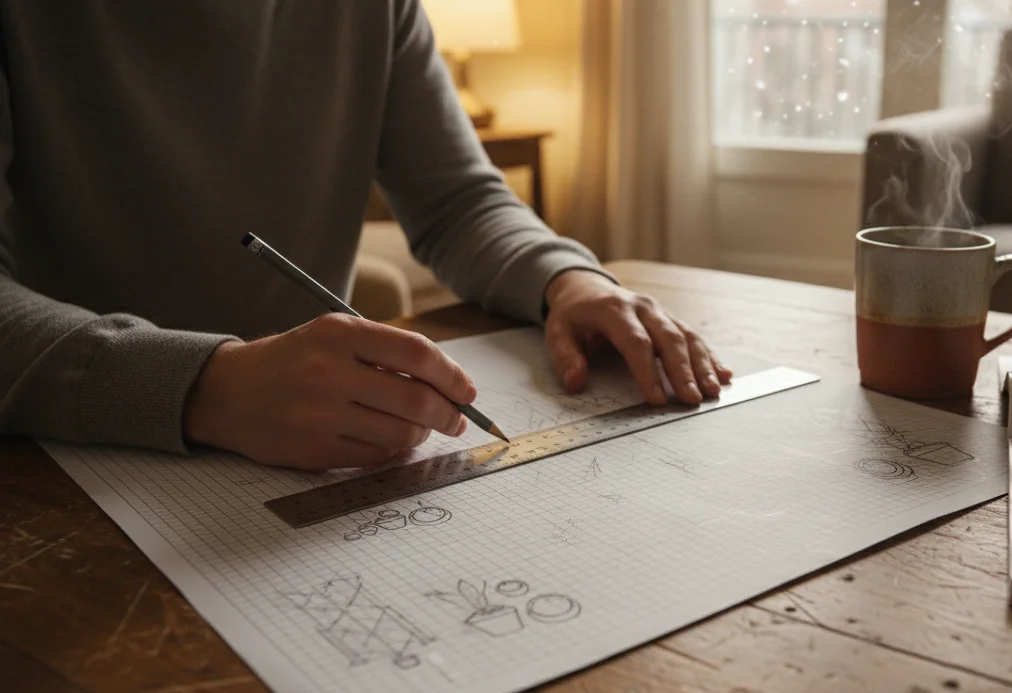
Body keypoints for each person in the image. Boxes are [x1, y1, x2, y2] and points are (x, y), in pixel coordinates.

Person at [0, 2, 730, 471]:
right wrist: (203, 387)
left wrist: (567, 280)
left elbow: (458, 199)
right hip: (66, 462)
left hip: (324, 454)